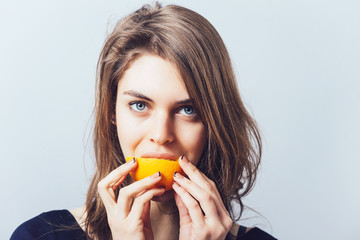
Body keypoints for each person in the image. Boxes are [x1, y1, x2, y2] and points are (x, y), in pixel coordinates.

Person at [11, 2, 276, 240]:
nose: (161, 135)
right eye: (140, 105)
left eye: (188, 110)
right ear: (111, 113)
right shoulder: (37, 236)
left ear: (215, 122)